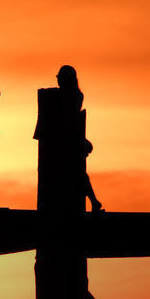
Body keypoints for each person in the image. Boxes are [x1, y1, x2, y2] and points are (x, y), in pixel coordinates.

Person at [55, 64, 102, 212]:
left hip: (71, 140)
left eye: (61, 79)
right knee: (79, 174)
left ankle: (92, 201)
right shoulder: (71, 95)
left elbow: (69, 118)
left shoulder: (71, 97)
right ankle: (93, 201)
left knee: (77, 174)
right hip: (71, 140)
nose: (58, 82)